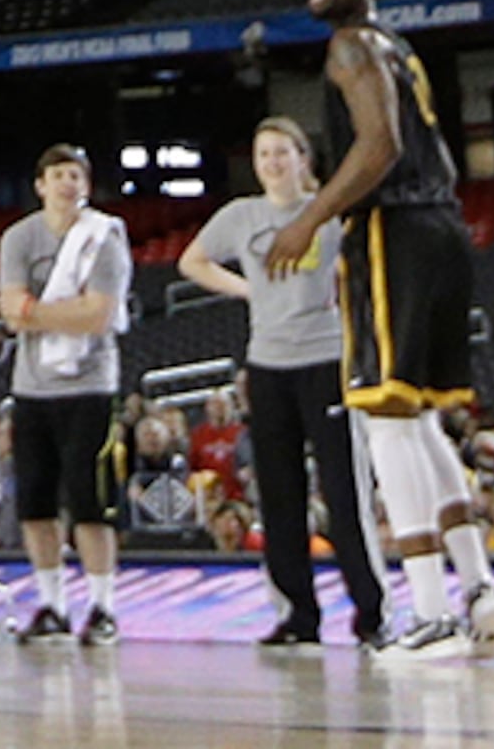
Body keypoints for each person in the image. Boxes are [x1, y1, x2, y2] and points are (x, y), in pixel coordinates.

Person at [261, 0, 494, 666]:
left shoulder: (350, 46)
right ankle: (481, 593)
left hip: (394, 230)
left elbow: (380, 146)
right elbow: (436, 153)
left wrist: (307, 218)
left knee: (386, 423)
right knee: (420, 417)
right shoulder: (401, 48)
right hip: (441, 226)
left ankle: (430, 614)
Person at [180, 115, 388, 649]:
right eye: (263, 153)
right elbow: (193, 260)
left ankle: (371, 612)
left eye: (281, 152)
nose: (272, 163)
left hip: (327, 364)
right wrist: (248, 290)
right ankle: (298, 615)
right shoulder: (242, 215)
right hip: (268, 367)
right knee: (279, 495)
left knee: (345, 493)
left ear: (304, 159)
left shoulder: (329, 213)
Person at [0, 142, 134, 643]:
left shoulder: (104, 238)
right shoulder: (18, 238)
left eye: (75, 174)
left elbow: (99, 315)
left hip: (90, 387)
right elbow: (9, 310)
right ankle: (51, 604)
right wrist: (53, 312)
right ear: (40, 185)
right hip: (32, 389)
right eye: (57, 174)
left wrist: (34, 311)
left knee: (90, 503)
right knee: (35, 503)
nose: (66, 183)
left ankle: (102, 607)